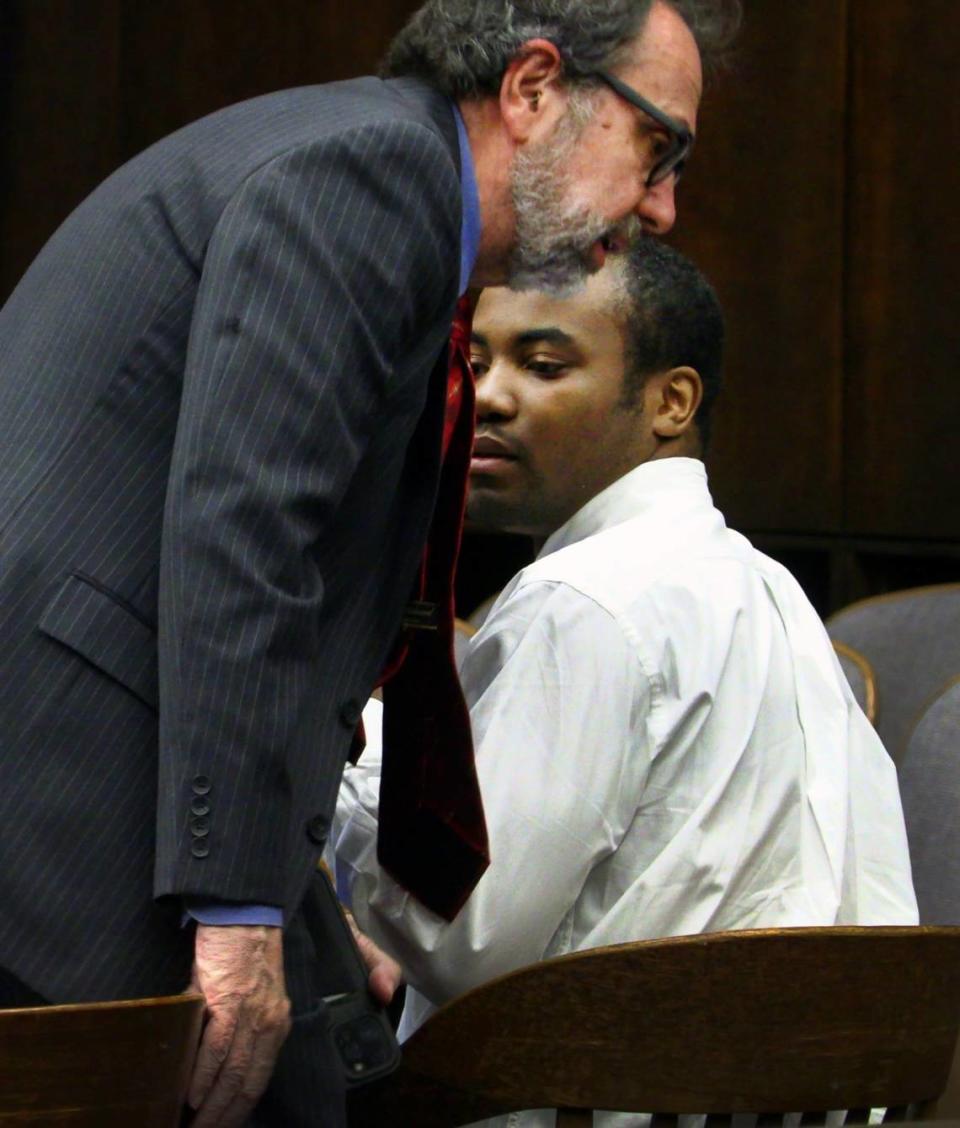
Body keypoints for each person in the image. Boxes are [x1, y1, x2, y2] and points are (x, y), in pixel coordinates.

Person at [0, 2, 743, 1124]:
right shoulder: (369, 180)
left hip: (123, 776)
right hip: (70, 797)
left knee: (339, 1065)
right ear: (535, 89)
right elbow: (248, 536)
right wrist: (242, 908)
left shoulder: (381, 181)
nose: (664, 205)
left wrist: (288, 906)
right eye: (658, 147)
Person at [333, 243, 918, 1122]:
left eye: (543, 364)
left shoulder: (585, 600)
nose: (487, 395)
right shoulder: (760, 580)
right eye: (476, 360)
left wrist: (319, 777)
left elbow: (465, 941)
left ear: (670, 402)